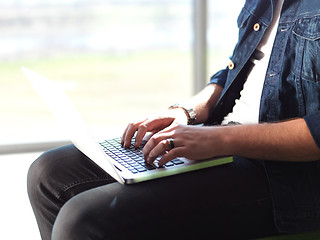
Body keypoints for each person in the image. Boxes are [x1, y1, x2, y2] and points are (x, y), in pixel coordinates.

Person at [27, 0, 320, 239]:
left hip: (285, 176)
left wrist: (216, 139)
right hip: (221, 138)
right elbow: (236, 72)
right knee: (49, 174)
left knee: (82, 219)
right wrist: (185, 113)